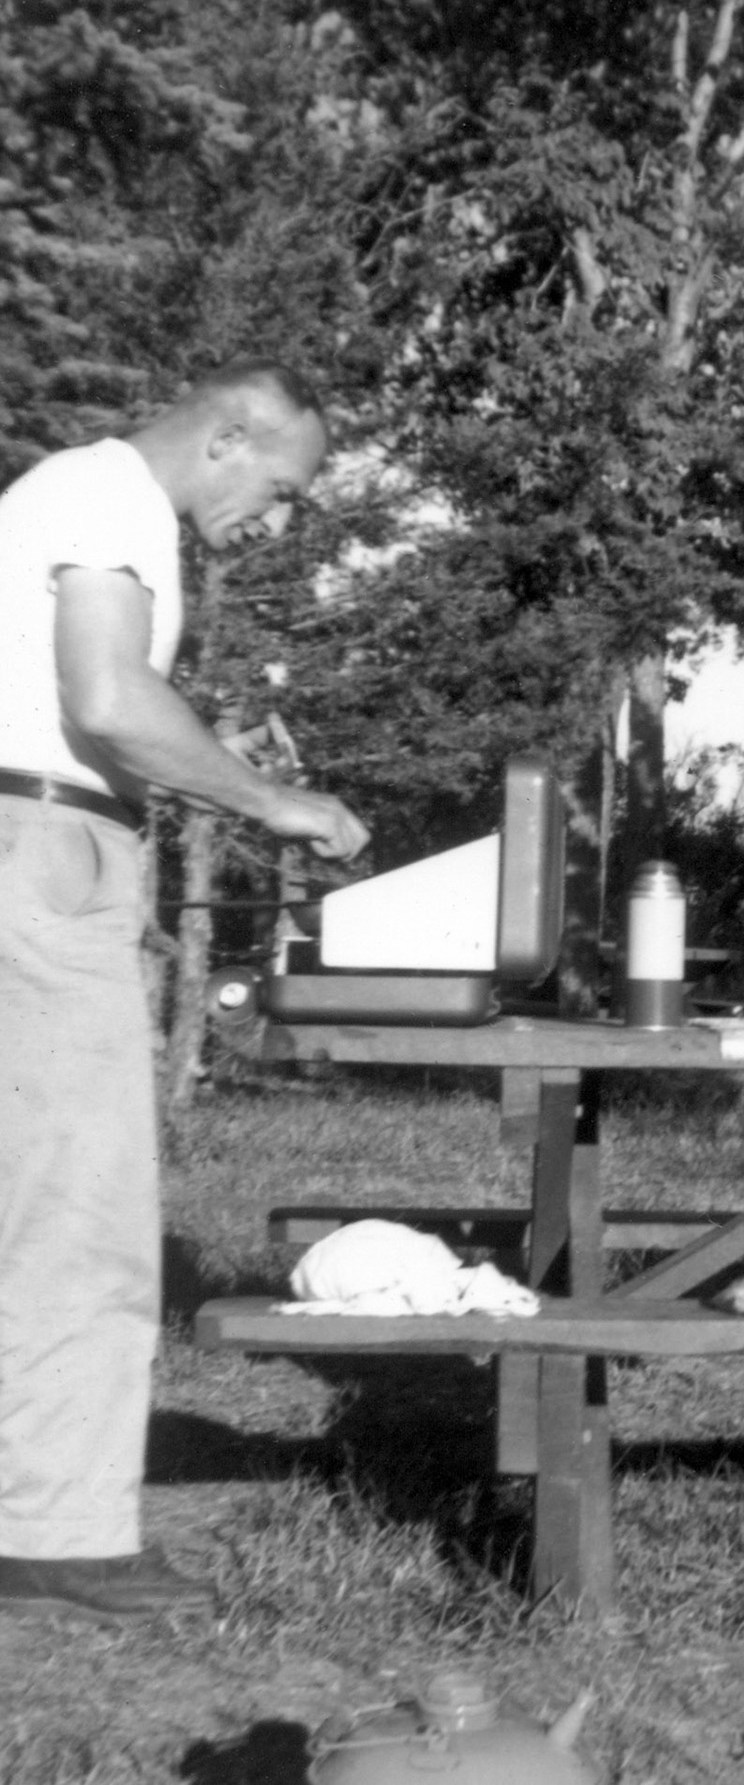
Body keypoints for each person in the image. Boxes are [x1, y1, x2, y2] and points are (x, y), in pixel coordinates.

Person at [0, 358, 370, 1624]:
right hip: (40, 856)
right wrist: (271, 800)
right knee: (84, 1211)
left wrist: (205, 757)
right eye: (278, 490)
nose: (272, 523)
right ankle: (55, 1534)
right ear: (228, 437)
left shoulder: (72, 495)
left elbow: (83, 704)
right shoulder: (109, 494)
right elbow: (107, 701)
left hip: (36, 834)